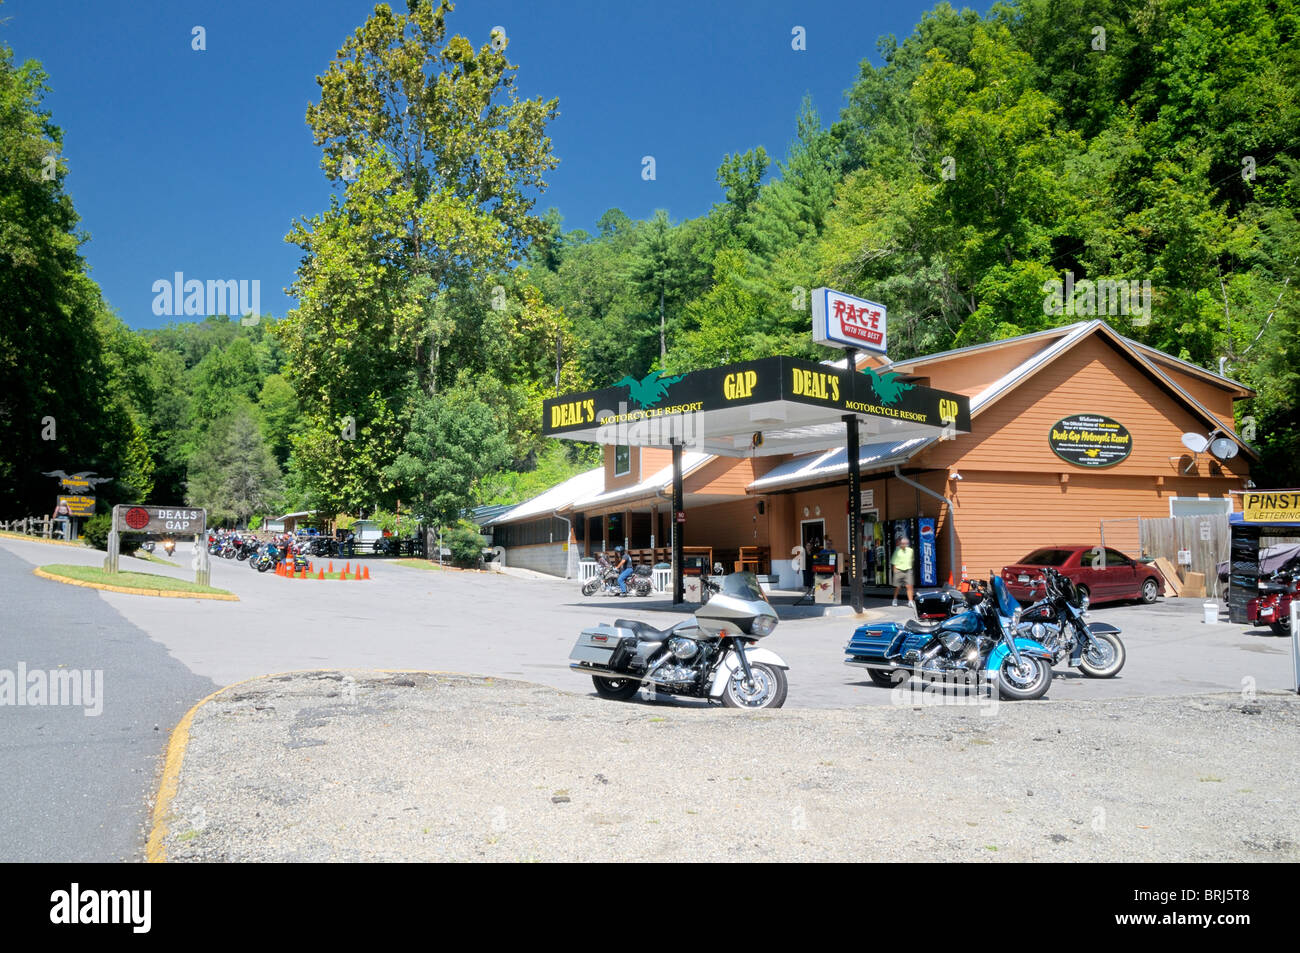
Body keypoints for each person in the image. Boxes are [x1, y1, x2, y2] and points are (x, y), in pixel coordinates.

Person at [891, 536, 915, 607]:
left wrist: (910, 569)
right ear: (900, 544)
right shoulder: (897, 551)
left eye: (905, 543)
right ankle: (895, 599)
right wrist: (895, 572)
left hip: (908, 570)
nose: (904, 545)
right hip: (899, 570)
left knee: (909, 586)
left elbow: (912, 560)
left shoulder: (911, 550)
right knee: (898, 587)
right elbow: (894, 562)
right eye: (902, 543)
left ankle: (910, 601)